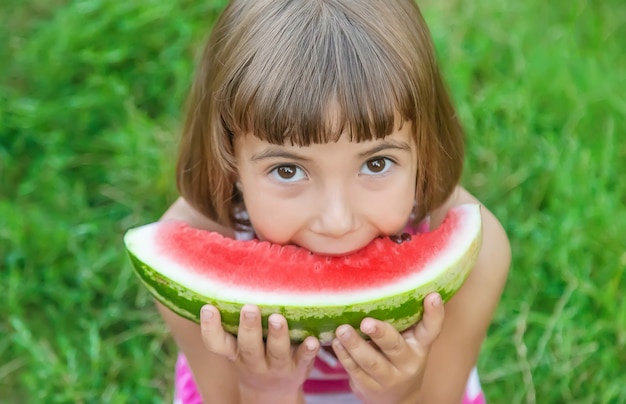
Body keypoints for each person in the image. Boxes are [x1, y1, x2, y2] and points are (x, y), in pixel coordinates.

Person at [156, 0, 511, 402]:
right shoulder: (190, 264)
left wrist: (401, 393)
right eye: (288, 170)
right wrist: (266, 389)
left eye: (377, 163)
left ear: (425, 147)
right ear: (229, 158)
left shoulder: (476, 256)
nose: (337, 220)